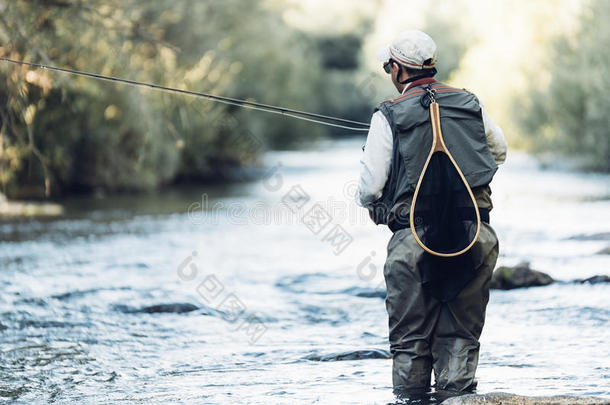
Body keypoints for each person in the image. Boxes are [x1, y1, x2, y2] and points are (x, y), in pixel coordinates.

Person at [356, 30, 507, 396]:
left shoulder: (387, 115)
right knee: (461, 336)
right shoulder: (470, 103)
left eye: (386, 65)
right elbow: (499, 152)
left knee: (410, 341)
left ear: (396, 69)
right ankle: (458, 400)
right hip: (474, 235)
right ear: (430, 66)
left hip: (413, 239)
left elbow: (368, 189)